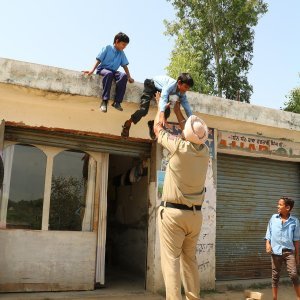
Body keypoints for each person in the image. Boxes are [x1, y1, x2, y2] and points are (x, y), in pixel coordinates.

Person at [153, 94, 209, 300]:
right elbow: (191, 134)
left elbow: (157, 129)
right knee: (190, 260)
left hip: (174, 215)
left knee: (171, 261)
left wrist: (161, 106)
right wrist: (178, 111)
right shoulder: (204, 152)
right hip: (195, 217)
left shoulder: (178, 146)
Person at [121, 73, 194, 139]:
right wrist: (161, 114)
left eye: (188, 88)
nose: (186, 90)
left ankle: (152, 124)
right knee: (143, 110)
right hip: (151, 85)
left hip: (160, 90)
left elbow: (186, 105)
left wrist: (193, 119)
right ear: (179, 83)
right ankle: (128, 123)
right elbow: (164, 97)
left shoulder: (182, 92)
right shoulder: (170, 85)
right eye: (185, 87)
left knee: (167, 112)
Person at [83, 32, 134, 113]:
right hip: (103, 69)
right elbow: (98, 59)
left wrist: (129, 77)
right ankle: (104, 101)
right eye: (123, 44)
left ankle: (117, 102)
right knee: (108, 74)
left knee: (123, 76)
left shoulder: (121, 53)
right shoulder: (107, 48)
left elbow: (124, 66)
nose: (124, 47)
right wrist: (92, 70)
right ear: (117, 41)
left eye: (126, 45)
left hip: (113, 71)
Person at [265, 196, 300, 300]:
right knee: (275, 276)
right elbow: (269, 233)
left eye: (280, 204)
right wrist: (267, 244)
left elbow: (297, 240)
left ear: (287, 207)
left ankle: (299, 297)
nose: (278, 206)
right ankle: (274, 298)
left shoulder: (295, 221)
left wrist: (297, 256)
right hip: (275, 252)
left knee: (294, 274)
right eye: (278, 204)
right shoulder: (273, 218)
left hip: (289, 252)